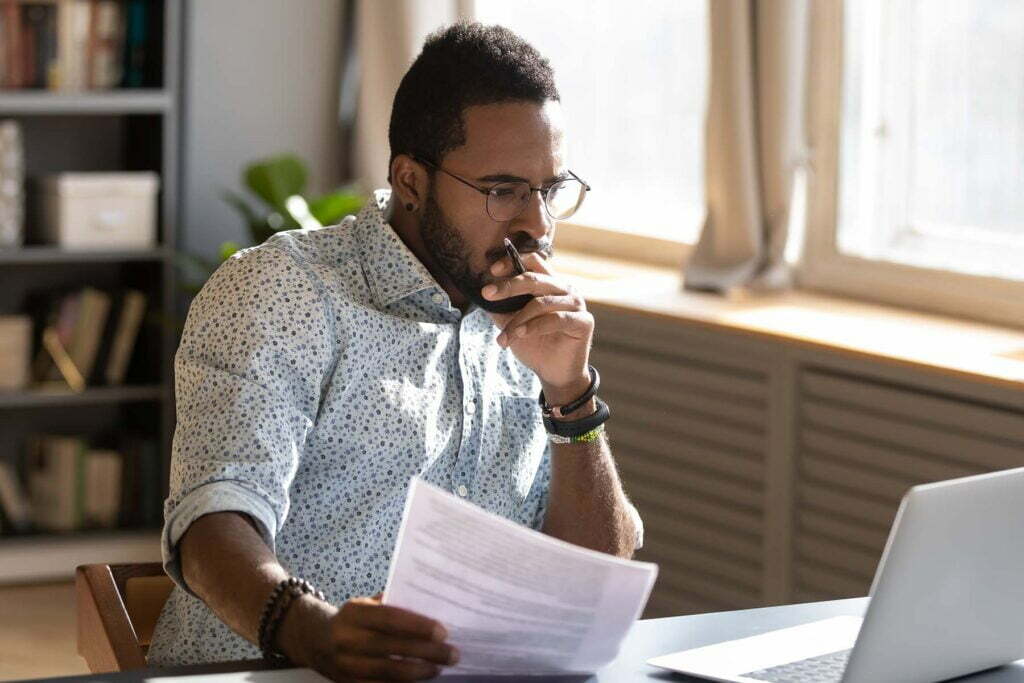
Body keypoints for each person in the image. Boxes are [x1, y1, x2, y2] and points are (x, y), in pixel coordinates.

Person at [148, 22, 642, 681]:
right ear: (410, 180)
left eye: (549, 190)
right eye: (502, 191)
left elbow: (598, 581)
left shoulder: (534, 326)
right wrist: (313, 633)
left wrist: (570, 395)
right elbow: (213, 517)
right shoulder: (284, 291)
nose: (537, 225)